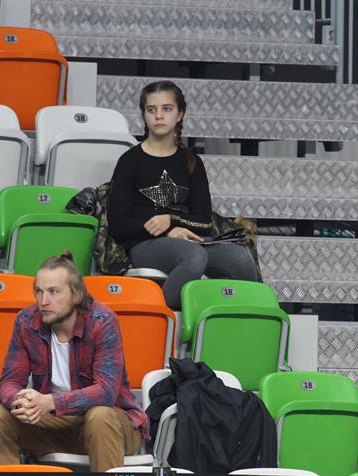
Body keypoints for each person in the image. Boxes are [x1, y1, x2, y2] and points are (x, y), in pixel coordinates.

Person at [0, 252, 149, 474]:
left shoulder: (102, 322)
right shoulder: (26, 321)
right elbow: (10, 381)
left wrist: (50, 401)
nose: (43, 301)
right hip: (58, 424)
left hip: (113, 425)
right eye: (39, 291)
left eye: (53, 292)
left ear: (77, 295)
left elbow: (105, 392)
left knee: (99, 416)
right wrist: (21, 401)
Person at [107, 80, 259, 309]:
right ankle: (161, 319)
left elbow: (204, 221)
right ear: (144, 115)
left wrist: (172, 220)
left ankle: (238, 325)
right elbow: (117, 224)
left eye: (167, 109)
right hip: (144, 245)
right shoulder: (130, 161)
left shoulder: (192, 162)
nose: (159, 116)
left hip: (189, 241)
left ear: (179, 114)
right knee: (194, 256)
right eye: (151, 109)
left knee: (240, 259)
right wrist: (165, 230)